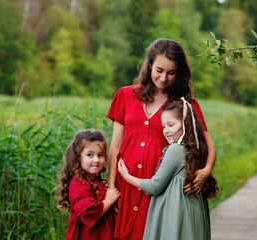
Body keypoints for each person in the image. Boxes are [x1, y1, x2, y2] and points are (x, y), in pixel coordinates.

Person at [107, 38, 216, 239]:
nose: (164, 78)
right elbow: (115, 147)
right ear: (149, 65)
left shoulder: (183, 105)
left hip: (160, 188)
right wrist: (111, 188)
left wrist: (207, 170)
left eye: (171, 73)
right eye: (159, 70)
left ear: (179, 73)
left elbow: (206, 143)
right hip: (128, 187)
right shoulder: (125, 95)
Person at [118, 99, 219, 240]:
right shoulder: (197, 150)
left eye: (170, 125)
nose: (166, 131)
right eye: (163, 126)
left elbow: (155, 186)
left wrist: (126, 176)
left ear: (186, 124)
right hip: (193, 213)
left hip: (177, 214)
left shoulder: (176, 150)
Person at [57, 129, 120, 240]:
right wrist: (109, 200)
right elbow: (89, 212)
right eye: (90, 155)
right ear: (78, 157)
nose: (96, 160)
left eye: (101, 155)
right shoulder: (79, 183)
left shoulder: (95, 179)